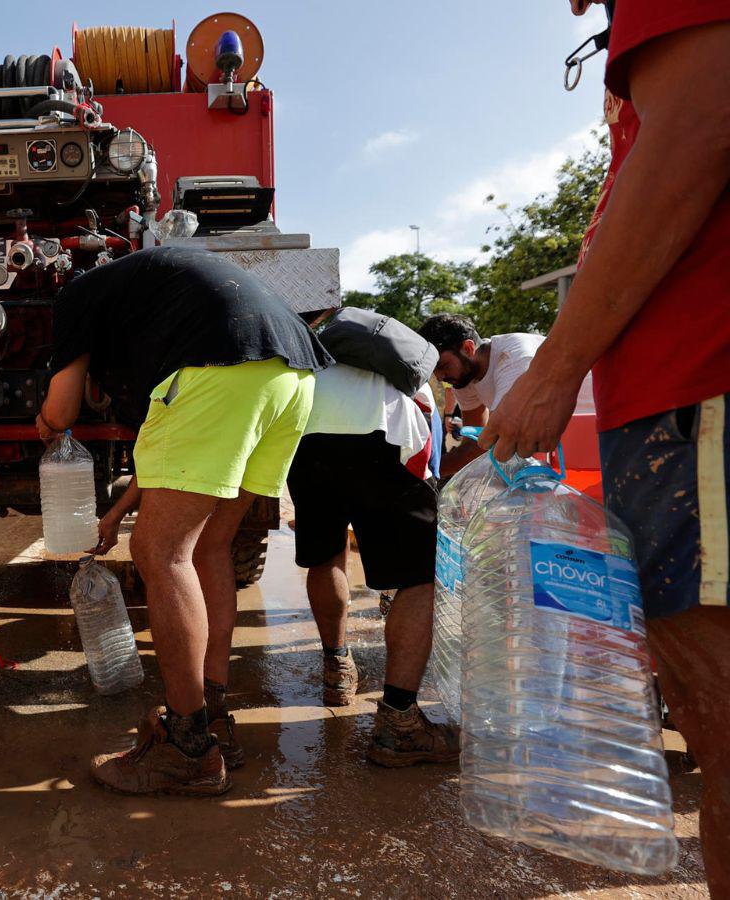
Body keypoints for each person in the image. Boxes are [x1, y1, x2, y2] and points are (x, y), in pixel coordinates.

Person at [482, 3, 730, 893]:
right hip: (675, 402)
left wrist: (555, 372)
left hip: (698, 385)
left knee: (720, 708)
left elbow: (701, 124)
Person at [38, 245, 330, 796]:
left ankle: (187, 746)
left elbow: (61, 411)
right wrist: (120, 512)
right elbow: (171, 460)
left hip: (219, 373)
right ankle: (213, 714)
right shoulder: (156, 293)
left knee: (160, 554)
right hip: (291, 377)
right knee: (207, 548)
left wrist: (44, 420)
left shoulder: (76, 295)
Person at [285, 362, 457, 766]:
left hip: (306, 442)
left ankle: (337, 668)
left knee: (326, 556)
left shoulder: (316, 361)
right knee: (420, 576)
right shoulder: (403, 365)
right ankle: (400, 724)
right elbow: (425, 448)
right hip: (381, 442)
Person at [417, 314, 593, 477]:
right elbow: (476, 443)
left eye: (442, 366)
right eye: (435, 371)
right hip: (561, 446)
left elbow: (498, 441)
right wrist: (428, 470)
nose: (440, 377)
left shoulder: (514, 358)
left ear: (468, 348)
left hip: (589, 436)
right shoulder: (464, 375)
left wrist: (426, 470)